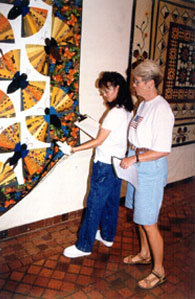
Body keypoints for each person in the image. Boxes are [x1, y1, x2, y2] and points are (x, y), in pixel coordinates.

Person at [61, 71, 134, 258]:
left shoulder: (114, 113)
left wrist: (72, 150)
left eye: (107, 90)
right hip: (116, 164)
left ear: (118, 88)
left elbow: (99, 141)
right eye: (102, 90)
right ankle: (108, 236)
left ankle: (84, 246)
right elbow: (110, 137)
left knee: (94, 204)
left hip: (104, 165)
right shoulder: (127, 110)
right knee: (110, 202)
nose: (104, 94)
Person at [120, 59, 174, 290]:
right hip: (136, 164)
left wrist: (135, 158)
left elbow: (162, 149)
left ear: (151, 83)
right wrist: (130, 155)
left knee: (149, 222)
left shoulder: (162, 109)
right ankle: (144, 254)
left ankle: (159, 271)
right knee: (139, 216)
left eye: (138, 82)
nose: (134, 86)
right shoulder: (142, 104)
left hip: (149, 168)